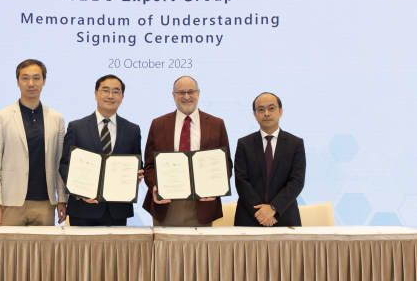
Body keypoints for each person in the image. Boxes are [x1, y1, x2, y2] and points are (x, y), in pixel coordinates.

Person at [0, 59, 66, 226]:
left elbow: (60, 163)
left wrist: (62, 199)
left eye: (36, 78)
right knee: (9, 253)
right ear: (17, 82)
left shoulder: (56, 119)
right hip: (11, 203)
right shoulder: (1, 117)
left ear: (44, 81)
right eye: (25, 78)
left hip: (45, 203)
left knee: (43, 253)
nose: (31, 83)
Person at [142, 76, 233, 227]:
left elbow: (226, 164)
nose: (186, 97)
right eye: (181, 92)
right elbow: (149, 166)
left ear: (198, 93)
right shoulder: (158, 124)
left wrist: (216, 188)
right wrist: (154, 186)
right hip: (167, 205)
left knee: (200, 251)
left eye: (191, 92)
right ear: (173, 95)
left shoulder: (217, 124)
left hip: (203, 205)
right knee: (165, 251)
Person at [59, 75, 143, 226]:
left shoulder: (133, 130)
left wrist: (137, 173)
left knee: (115, 251)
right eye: (105, 90)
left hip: (117, 210)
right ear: (96, 94)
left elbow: (137, 164)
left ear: (122, 97)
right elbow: (65, 164)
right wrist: (79, 192)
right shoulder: (76, 127)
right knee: (81, 251)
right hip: (83, 209)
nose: (110, 96)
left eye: (116, 92)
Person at [234, 92, 306, 227]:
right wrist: (261, 214)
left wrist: (273, 208)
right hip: (250, 216)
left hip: (284, 215)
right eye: (261, 109)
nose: (266, 113)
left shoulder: (295, 143)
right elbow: (241, 180)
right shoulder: (244, 143)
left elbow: (297, 181)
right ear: (255, 115)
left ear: (281, 111)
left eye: (271, 108)